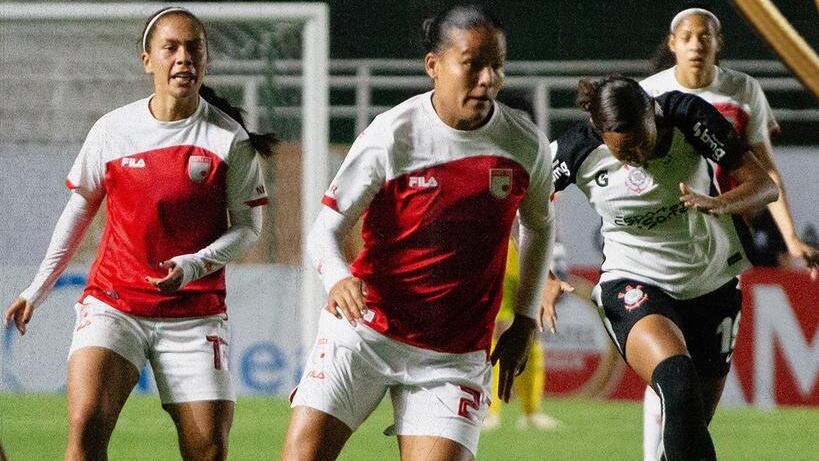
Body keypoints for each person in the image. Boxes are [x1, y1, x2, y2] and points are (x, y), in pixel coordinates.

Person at [281, 5, 562, 460]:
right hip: (364, 334)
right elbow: (324, 233)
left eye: (497, 66)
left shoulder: (524, 143)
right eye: (473, 64)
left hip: (452, 356)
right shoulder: (392, 135)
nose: (488, 79)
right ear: (433, 65)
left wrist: (526, 318)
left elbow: (539, 225)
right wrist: (337, 277)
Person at [3, 7, 274, 460]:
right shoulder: (114, 130)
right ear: (147, 60)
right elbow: (79, 210)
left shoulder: (230, 140)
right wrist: (37, 288)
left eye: (194, 49)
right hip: (115, 303)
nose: (183, 58)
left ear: (205, 61)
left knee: (208, 450)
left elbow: (249, 228)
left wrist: (193, 266)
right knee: (86, 427)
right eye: (171, 48)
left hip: (194, 314)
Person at [549, 75, 777, 460]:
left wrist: (721, 203)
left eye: (642, 142)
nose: (637, 157)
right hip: (633, 281)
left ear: (653, 116)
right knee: (678, 382)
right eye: (624, 152)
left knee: (690, 424)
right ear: (600, 134)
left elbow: (764, 184)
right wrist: (546, 273)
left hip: (712, 281)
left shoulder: (688, 116)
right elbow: (528, 204)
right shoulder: (576, 148)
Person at [639, 8, 819, 459]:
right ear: (673, 42)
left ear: (719, 44)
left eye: (706, 36)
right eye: (687, 36)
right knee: (669, 368)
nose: (697, 44)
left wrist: (791, 238)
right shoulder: (649, 94)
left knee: (699, 383)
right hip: (661, 245)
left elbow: (765, 171)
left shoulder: (742, 91)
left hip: (721, 247)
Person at [483, 239, 564, 431]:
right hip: (501, 250)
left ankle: (532, 412)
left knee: (532, 327)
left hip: (533, 248)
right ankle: (489, 412)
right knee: (496, 330)